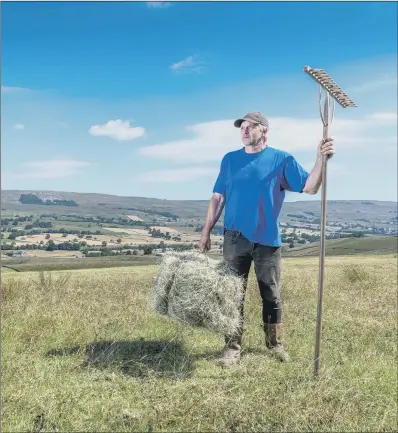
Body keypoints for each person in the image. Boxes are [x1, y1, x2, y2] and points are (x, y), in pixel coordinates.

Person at [198, 112, 334, 367]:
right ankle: (231, 348)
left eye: (251, 127)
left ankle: (274, 345)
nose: (245, 131)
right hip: (234, 237)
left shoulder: (281, 159)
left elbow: (310, 187)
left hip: (267, 239)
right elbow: (217, 198)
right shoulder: (229, 160)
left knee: (270, 294)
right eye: (243, 127)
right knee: (232, 294)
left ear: (265, 131)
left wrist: (321, 159)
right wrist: (206, 232)